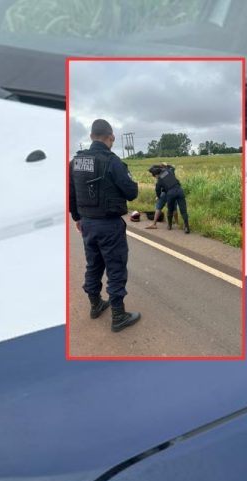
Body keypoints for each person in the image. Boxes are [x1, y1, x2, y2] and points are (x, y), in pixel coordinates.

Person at [69, 119, 142, 332]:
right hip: (109, 225)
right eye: (112, 139)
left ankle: (95, 305)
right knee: (115, 267)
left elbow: (71, 194)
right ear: (111, 137)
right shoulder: (112, 161)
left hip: (87, 224)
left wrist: (77, 218)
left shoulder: (75, 163)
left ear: (91, 136)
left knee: (93, 265)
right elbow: (131, 192)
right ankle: (118, 316)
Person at [149, 163, 190, 234]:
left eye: (154, 176)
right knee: (183, 210)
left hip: (170, 193)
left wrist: (158, 196)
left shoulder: (159, 180)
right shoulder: (168, 170)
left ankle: (169, 226)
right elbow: (172, 167)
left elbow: (157, 191)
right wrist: (166, 164)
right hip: (180, 191)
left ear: (156, 174)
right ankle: (186, 227)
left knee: (170, 210)